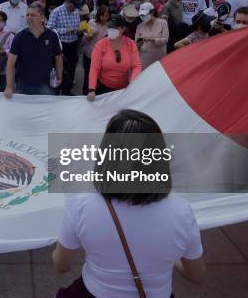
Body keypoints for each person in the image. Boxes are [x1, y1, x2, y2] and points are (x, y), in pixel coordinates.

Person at [53, 110, 205, 298]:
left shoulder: (81, 205)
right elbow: (196, 275)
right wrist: (170, 257)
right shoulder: (182, 211)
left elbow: (61, 265)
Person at [5, 4, 63, 97]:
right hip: (23, 85)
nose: (29, 18)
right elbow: (11, 62)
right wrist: (9, 86)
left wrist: (59, 76)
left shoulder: (52, 36)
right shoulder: (19, 37)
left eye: (33, 15)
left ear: (42, 18)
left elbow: (58, 57)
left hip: (45, 85)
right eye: (27, 15)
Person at [87, 16, 142, 101]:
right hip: (103, 89)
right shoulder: (100, 45)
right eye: (109, 27)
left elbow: (136, 66)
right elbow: (94, 68)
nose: (111, 29)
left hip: (123, 90)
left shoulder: (131, 44)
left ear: (123, 29)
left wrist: (132, 85)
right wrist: (91, 89)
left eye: (115, 27)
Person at [47, 0, 81, 95]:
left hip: (73, 43)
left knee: (71, 68)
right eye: (74, 5)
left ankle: (67, 90)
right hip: (61, 45)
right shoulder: (56, 12)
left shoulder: (76, 11)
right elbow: (50, 29)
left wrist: (79, 30)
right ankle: (56, 91)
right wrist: (65, 30)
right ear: (68, 2)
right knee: (59, 68)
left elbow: (77, 26)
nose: (75, 8)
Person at [81, 4, 110, 95]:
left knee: (100, 77)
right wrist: (90, 34)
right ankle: (86, 94)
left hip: (102, 56)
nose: (104, 18)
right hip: (89, 54)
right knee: (88, 76)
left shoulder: (110, 26)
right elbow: (84, 40)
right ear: (98, 15)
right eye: (102, 15)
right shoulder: (92, 23)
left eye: (106, 16)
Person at [136, 2, 169, 69]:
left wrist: (152, 39)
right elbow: (136, 44)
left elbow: (165, 39)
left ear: (152, 12)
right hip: (144, 59)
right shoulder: (139, 26)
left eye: (145, 14)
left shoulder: (163, 23)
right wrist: (139, 43)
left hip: (160, 59)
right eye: (141, 15)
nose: (143, 17)